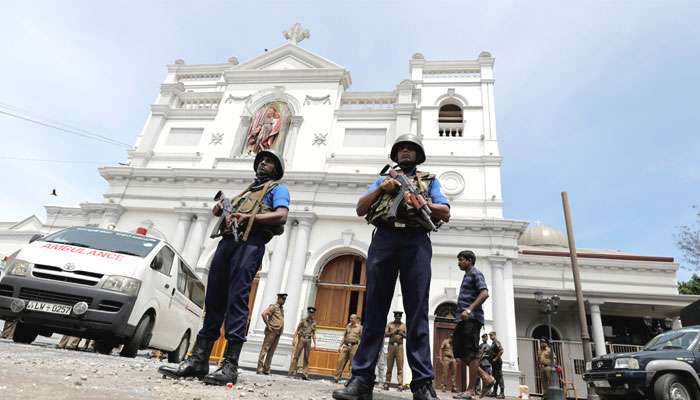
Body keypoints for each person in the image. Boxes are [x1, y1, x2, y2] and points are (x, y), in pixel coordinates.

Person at [332, 134, 450, 400]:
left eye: (411, 149)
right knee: (374, 310)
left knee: (417, 311)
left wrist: (422, 203)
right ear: (395, 155)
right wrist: (381, 189)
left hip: (415, 241)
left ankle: (422, 384)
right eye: (401, 149)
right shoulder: (383, 178)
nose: (406, 151)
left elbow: (445, 211)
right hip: (384, 238)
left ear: (418, 155)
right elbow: (361, 209)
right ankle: (361, 380)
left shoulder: (429, 180)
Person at [159, 150, 290, 386]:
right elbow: (224, 214)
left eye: (269, 161)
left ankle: (230, 364)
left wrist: (248, 217)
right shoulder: (246, 192)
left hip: (250, 244)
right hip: (227, 244)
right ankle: (199, 360)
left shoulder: (277, 189)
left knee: (237, 299)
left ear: (277, 169)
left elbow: (281, 216)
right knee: (214, 300)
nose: (263, 163)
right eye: (261, 160)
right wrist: (222, 210)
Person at [452, 250, 489, 400]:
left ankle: (471, 390)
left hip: (472, 319)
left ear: (469, 260)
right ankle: (486, 378)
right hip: (463, 321)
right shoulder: (467, 275)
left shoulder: (476, 273)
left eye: (461, 260)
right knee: (459, 352)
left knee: (471, 354)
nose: (459, 263)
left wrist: (469, 309)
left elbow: (484, 293)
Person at [257, 293, 287, 374]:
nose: (284, 301)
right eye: (283, 299)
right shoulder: (273, 307)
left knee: (271, 351)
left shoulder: (281, 309)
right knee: (265, 349)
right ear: (278, 298)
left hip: (278, 332)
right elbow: (264, 314)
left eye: (285, 299)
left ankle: (266, 369)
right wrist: (268, 325)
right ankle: (259, 368)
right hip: (271, 331)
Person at [289, 306, 317, 380]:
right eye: (309, 312)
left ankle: (305, 374)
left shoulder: (314, 323)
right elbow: (297, 329)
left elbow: (313, 333)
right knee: (296, 355)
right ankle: (292, 372)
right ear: (308, 313)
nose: (311, 314)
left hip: (308, 340)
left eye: (312, 313)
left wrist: (315, 343)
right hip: (302, 338)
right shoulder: (303, 321)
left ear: (313, 314)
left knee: (306, 357)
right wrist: (294, 339)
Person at [335, 314, 363, 382]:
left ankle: (350, 379)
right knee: (340, 361)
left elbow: (362, 338)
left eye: (352, 318)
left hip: (354, 346)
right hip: (346, 346)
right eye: (350, 318)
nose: (351, 319)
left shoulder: (360, 327)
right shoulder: (348, 326)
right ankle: (337, 377)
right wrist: (340, 346)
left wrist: (360, 348)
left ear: (356, 319)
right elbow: (344, 336)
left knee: (352, 363)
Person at [383, 311, 407, 391]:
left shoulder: (403, 325)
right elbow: (385, 334)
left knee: (400, 366)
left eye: (399, 317)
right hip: (391, 346)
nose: (398, 318)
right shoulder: (390, 324)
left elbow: (407, 336)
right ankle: (387, 383)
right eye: (396, 317)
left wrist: (401, 334)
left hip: (399, 346)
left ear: (401, 317)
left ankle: (400, 384)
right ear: (394, 317)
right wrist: (393, 332)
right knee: (389, 365)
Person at [488, 331, 505, 399]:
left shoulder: (496, 342)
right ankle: (494, 392)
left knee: (499, 377)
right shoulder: (493, 343)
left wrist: (496, 358)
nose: (490, 337)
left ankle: (502, 393)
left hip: (497, 362)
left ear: (495, 335)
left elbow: (501, 350)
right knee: (495, 377)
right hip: (494, 363)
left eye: (491, 335)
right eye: (490, 335)